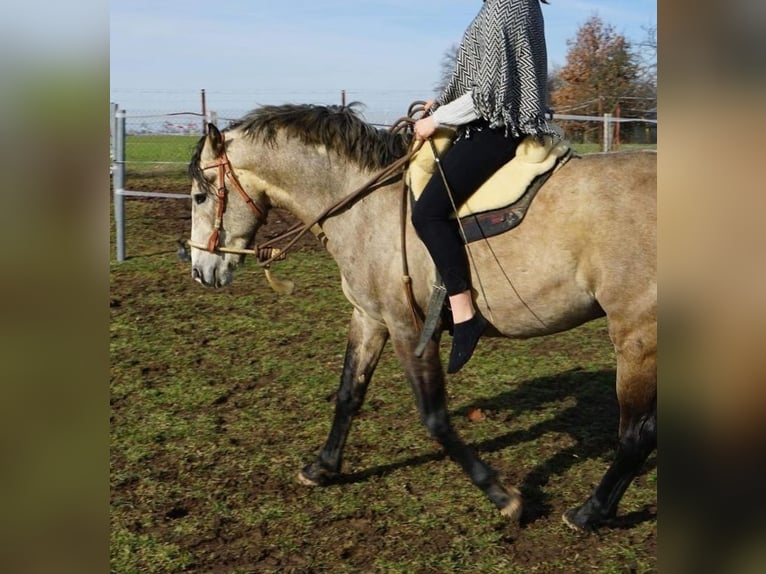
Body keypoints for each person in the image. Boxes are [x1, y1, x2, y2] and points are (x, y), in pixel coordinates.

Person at [412, 0, 557, 374]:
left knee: (427, 213)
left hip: (495, 130)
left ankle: (463, 313)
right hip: (497, 124)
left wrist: (436, 121)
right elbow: (478, 77)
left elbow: (487, 95)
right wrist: (439, 105)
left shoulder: (502, 7)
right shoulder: (518, 4)